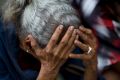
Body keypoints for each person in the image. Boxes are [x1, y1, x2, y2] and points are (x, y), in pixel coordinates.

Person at [1, 0, 97, 80]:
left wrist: (91, 66)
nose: (64, 55)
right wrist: (48, 71)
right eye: (57, 51)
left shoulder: (66, 38)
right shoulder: (3, 50)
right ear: (29, 45)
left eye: (70, 45)